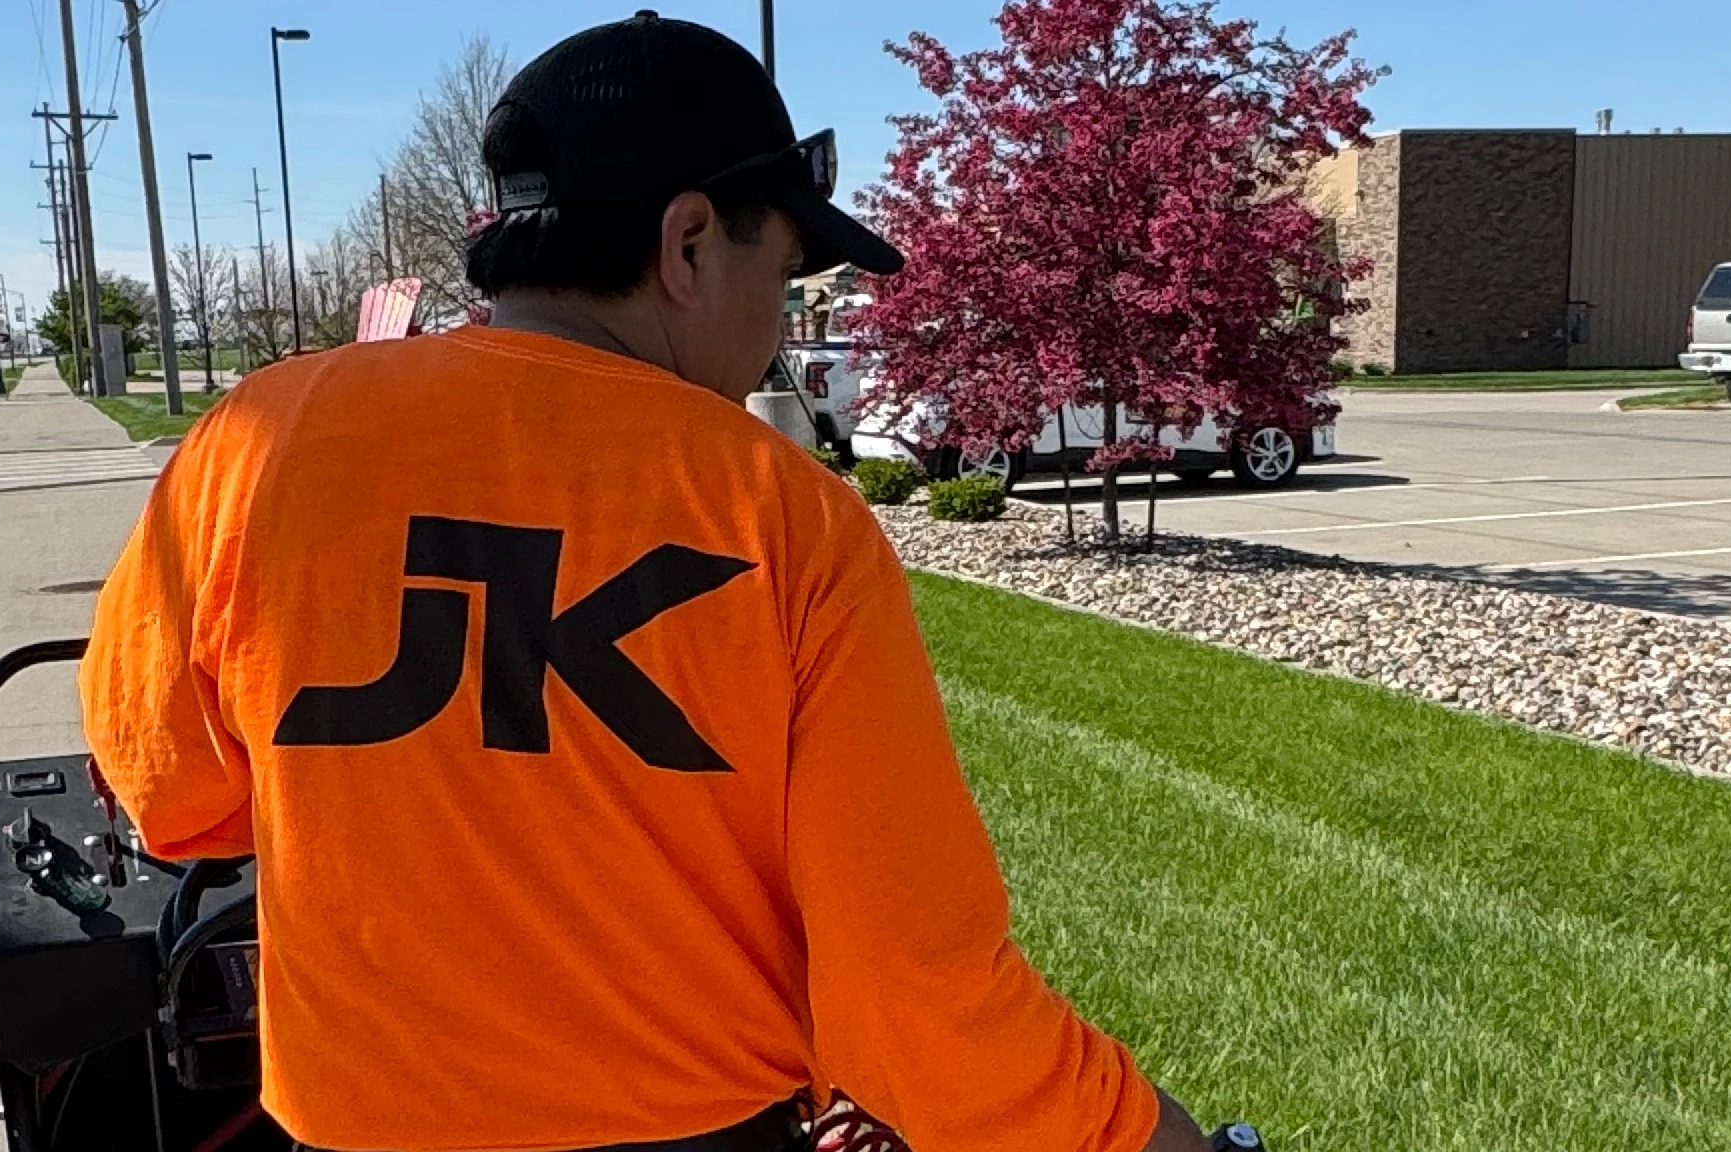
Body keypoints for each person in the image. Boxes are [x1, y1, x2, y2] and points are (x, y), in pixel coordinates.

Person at [81, 12, 1214, 1152]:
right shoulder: (783, 517)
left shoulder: (256, 442)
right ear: (685, 244)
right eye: (778, 271)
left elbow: (170, 799)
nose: (777, 327)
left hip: (344, 1125)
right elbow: (916, 997)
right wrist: (1153, 1138)